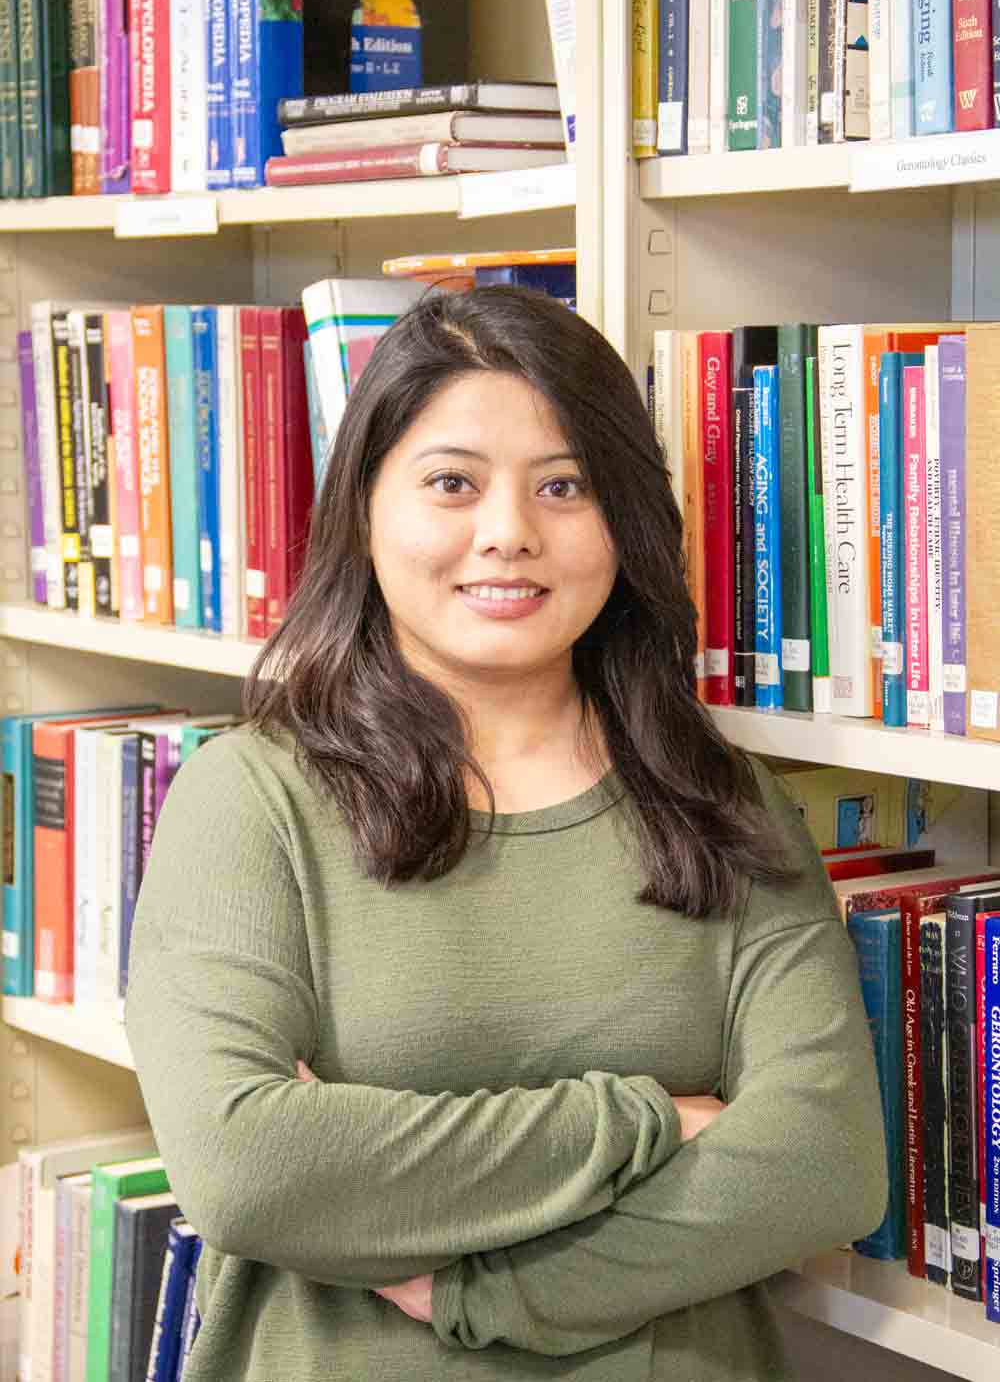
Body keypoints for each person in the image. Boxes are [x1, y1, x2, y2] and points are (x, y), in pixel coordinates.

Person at [125, 285, 887, 1382]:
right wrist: (642, 1124)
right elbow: (248, 1169)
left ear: (623, 518)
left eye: (563, 486)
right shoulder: (252, 800)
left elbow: (822, 1167)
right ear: (364, 510)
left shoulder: (723, 803)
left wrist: (488, 1290)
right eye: (451, 483)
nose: (508, 535)